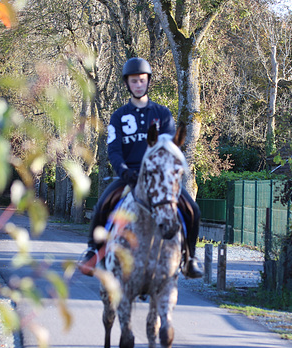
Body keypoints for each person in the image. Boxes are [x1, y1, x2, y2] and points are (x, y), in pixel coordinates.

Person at [78, 57, 203, 279]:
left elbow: (168, 150)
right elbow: (114, 150)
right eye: (134, 81)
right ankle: (92, 251)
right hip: (130, 176)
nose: (138, 85)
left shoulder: (163, 115)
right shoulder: (118, 116)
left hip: (159, 178)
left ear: (148, 82)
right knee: (102, 205)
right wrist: (124, 171)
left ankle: (190, 259)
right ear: (128, 84)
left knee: (192, 209)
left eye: (142, 80)